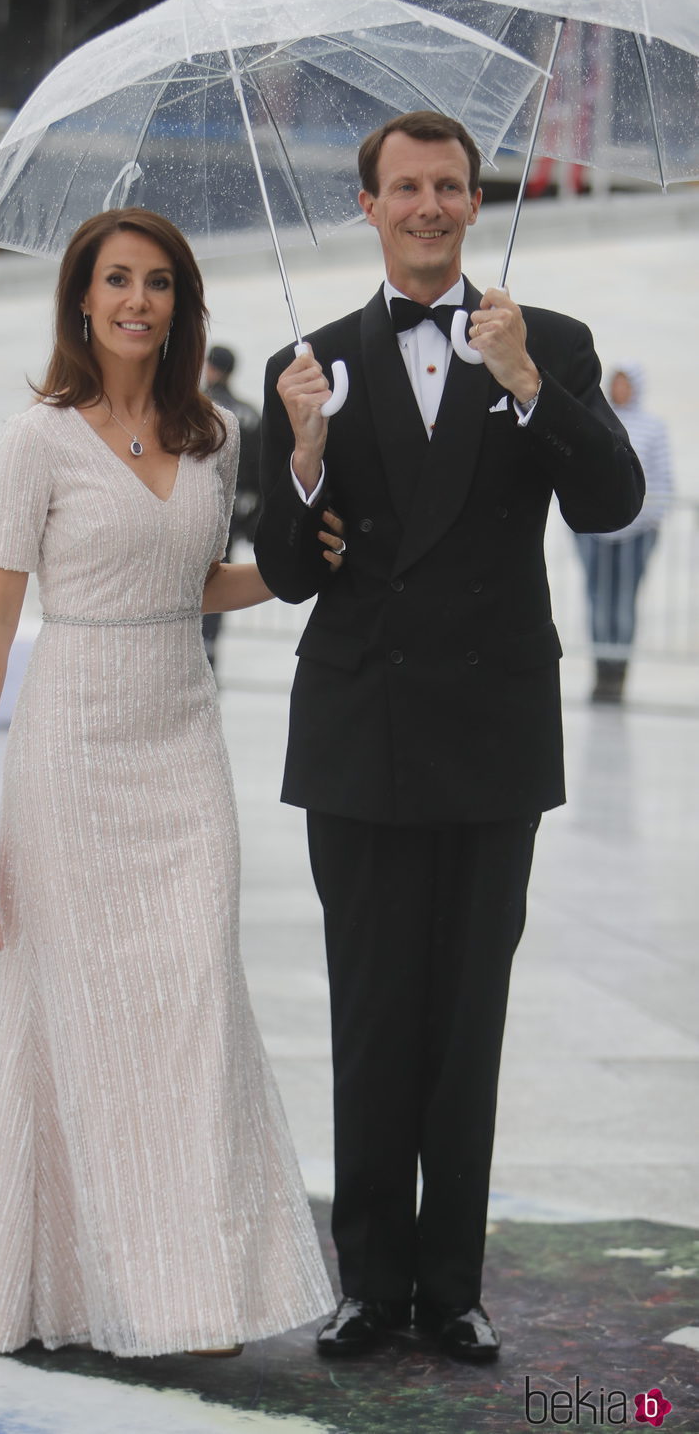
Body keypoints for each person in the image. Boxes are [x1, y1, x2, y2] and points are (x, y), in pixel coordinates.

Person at [254, 112, 644, 1364]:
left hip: (488, 727)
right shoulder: (306, 360)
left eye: (450, 187)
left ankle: (452, 1287)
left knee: (467, 1017)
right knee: (372, 1016)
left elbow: (609, 504)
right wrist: (303, 453)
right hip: (359, 727)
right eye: (405, 187)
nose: (429, 206)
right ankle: (367, 1284)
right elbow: (282, 571)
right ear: (364, 205)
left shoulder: (548, 342)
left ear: (477, 204)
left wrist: (526, 381)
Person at [0, 207, 340, 1360]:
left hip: (181, 747)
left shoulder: (211, 436)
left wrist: (292, 568)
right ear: (79, 300)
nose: (137, 301)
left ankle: (198, 1287)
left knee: (195, 1008)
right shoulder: (38, 439)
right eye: (116, 280)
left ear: (180, 304)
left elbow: (193, 581)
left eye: (158, 282)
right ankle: (86, 1288)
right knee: (81, 1025)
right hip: (70, 750)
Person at [575, 362, 674, 703]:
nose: (619, 390)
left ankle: (618, 676)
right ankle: (601, 673)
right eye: (615, 384)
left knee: (623, 606)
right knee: (598, 603)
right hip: (595, 533)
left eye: (625, 384)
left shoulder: (653, 427)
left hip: (637, 532)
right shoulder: (595, 419)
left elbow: (663, 479)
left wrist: (650, 521)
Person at [200, 344, 262, 667]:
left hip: (200, 511)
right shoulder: (249, 413)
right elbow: (263, 471)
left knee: (195, 581)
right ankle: (210, 644)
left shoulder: (196, 408)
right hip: (237, 514)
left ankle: (197, 643)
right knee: (220, 576)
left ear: (211, 367)